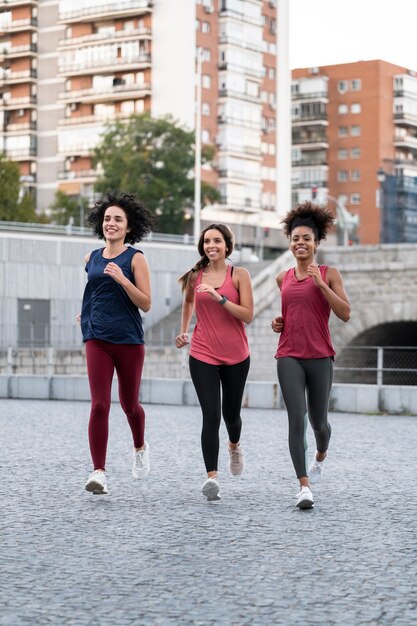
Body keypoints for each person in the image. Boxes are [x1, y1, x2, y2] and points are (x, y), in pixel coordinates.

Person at [271, 201, 350, 509]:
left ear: (317, 243)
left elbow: (344, 313)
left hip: (320, 356)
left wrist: (320, 284)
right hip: (288, 353)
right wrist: (279, 322)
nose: (300, 243)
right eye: (295, 238)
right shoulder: (283, 278)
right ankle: (303, 486)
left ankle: (320, 454)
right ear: (290, 244)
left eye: (306, 238)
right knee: (296, 418)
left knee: (320, 423)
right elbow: (290, 313)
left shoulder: (330, 274)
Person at [81, 191, 154, 495]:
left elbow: (147, 303)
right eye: (108, 218)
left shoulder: (135, 258)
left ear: (129, 227)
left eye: (118, 220)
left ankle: (139, 446)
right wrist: (85, 315)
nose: (111, 223)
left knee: (129, 405)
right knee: (99, 405)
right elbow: (94, 292)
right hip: (96, 337)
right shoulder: (92, 258)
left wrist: (124, 280)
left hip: (128, 339)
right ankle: (99, 472)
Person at [176, 224, 254, 501]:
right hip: (202, 353)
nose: (211, 245)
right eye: (207, 241)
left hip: (236, 355)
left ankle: (234, 445)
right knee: (210, 415)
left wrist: (219, 297)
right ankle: (212, 478)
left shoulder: (240, 275)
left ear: (227, 246)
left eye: (217, 241)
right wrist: (184, 329)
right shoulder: (196, 275)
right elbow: (187, 301)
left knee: (230, 416)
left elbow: (247, 315)